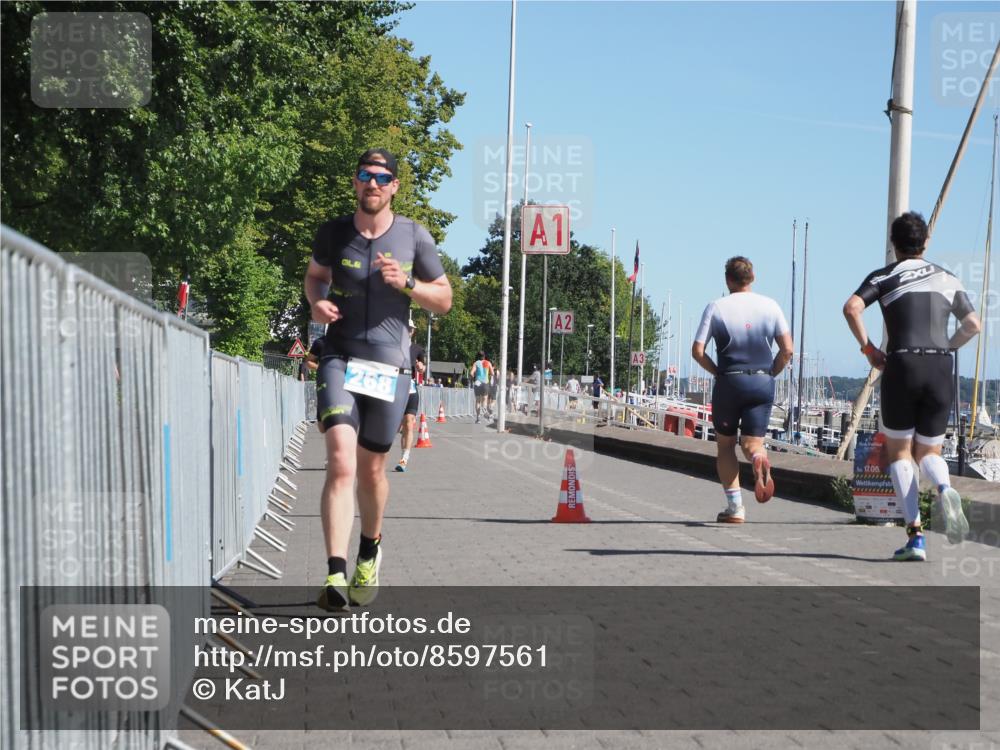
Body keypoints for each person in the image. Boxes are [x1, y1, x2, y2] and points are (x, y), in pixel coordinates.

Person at [304, 148, 452, 610]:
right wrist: (316, 303)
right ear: (355, 182)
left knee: (370, 471)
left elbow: (444, 300)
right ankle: (334, 573)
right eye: (365, 175)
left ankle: (370, 547)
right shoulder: (333, 233)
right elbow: (315, 277)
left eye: (382, 177)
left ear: (394, 187)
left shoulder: (414, 236)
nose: (373, 183)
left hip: (389, 367)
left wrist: (408, 285)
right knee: (340, 461)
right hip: (339, 357)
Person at [843, 211, 980, 561]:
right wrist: (947, 347)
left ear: (894, 244)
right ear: (926, 243)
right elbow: (974, 324)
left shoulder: (885, 276)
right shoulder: (947, 278)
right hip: (939, 365)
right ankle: (945, 487)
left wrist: (869, 348)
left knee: (900, 453)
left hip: (902, 363)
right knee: (929, 453)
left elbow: (851, 308)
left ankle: (915, 537)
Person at [692, 256, 793, 524]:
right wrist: (771, 372)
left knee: (726, 446)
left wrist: (717, 372)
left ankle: (735, 508)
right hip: (762, 381)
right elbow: (788, 350)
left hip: (729, 381)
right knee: (752, 444)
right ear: (753, 278)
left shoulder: (716, 307)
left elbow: (698, 351)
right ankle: (759, 458)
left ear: (728, 280)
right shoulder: (770, 306)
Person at [394, 318, 426, 472]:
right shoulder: (392, 346)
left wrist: (421, 367)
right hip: (393, 390)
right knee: (393, 427)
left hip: (411, 390)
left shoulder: (417, 349)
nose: (408, 331)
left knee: (408, 423)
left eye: (411, 329)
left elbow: (422, 366)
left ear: (413, 332)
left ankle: (404, 459)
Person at [471, 351, 494, 423]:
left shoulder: (476, 363)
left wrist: (474, 378)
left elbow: (471, 373)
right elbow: (492, 373)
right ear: (484, 356)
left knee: (477, 401)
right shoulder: (488, 363)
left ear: (478, 356)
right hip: (485, 383)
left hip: (477, 382)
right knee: (484, 399)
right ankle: (484, 411)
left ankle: (478, 418)